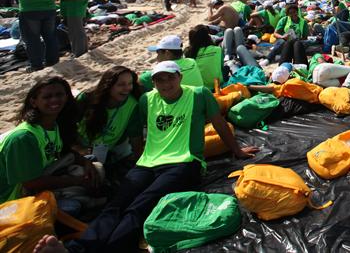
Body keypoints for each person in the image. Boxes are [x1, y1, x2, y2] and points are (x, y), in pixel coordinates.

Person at [41, 61, 258, 252]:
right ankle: (77, 248)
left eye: (170, 78)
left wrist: (236, 150)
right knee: (117, 203)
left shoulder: (199, 94)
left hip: (184, 163)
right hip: (148, 163)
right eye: (159, 80)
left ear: (179, 77)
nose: (165, 84)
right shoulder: (147, 100)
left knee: (141, 205)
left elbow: (219, 123)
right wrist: (138, 161)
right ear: (153, 82)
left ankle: (105, 248)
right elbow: (136, 134)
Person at [0, 76, 98, 206]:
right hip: (12, 196)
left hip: (40, 173)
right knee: (72, 206)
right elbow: (30, 182)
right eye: (47, 97)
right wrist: (76, 181)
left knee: (91, 161)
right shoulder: (24, 137)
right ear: (34, 102)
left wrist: (85, 162)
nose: (54, 100)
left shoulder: (54, 125)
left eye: (59, 95)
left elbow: (62, 152)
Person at [76, 66, 143, 165]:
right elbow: (67, 125)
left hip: (111, 149)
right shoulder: (87, 98)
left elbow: (135, 138)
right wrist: (78, 148)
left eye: (130, 84)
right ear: (108, 85)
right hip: (79, 146)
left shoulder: (132, 106)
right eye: (121, 84)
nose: (127, 88)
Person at [139, 35, 204, 91]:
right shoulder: (192, 62)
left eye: (158, 53)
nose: (157, 56)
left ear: (167, 53)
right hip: (200, 99)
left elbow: (139, 81)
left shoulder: (160, 71)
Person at [184, 25, 224, 89]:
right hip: (218, 85)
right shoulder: (217, 49)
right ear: (207, 36)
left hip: (201, 87)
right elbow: (221, 67)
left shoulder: (188, 53)